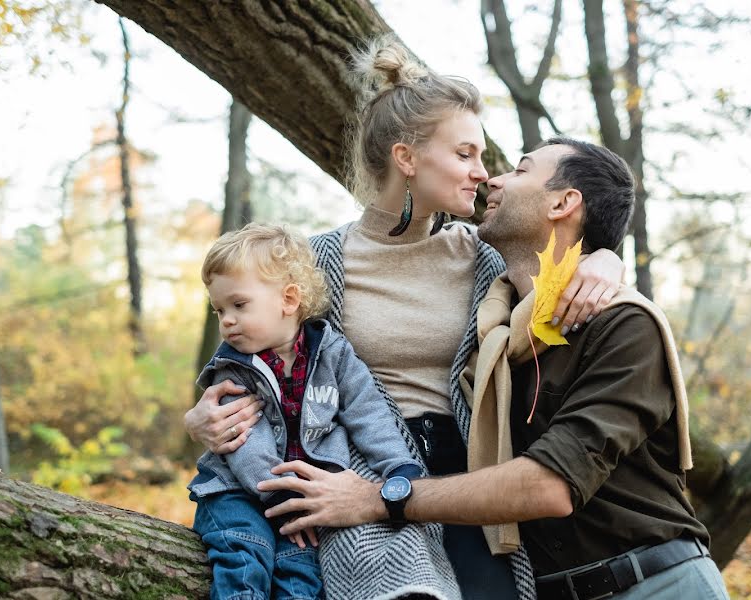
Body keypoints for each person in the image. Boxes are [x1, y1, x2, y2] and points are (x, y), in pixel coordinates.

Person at [185, 36, 625, 600]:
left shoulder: (485, 257)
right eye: (465, 154)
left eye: (482, 156)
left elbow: (557, 279)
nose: (482, 173)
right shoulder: (319, 262)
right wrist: (199, 422)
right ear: (407, 158)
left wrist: (605, 259)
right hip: (357, 478)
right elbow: (255, 361)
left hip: (469, 480)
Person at [259, 138, 731, 600]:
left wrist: (380, 498)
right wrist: (229, 404)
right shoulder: (494, 333)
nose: (493, 178)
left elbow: (549, 486)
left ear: (564, 202)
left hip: (654, 583)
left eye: (521, 170)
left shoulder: (623, 324)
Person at [189, 224, 425, 600]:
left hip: (304, 498)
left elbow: (368, 411)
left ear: (289, 299)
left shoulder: (332, 352)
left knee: (300, 578)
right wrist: (280, 496)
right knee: (245, 556)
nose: (226, 320)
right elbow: (242, 442)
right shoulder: (233, 369)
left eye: (238, 304)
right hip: (237, 492)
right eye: (219, 310)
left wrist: (397, 466)